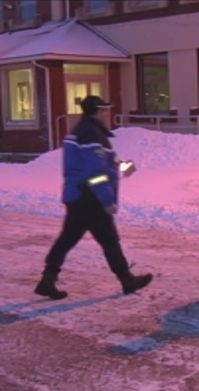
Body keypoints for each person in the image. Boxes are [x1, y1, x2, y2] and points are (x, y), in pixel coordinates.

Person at [34, 95, 153, 300]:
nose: (108, 114)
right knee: (110, 241)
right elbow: (95, 173)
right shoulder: (91, 134)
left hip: (77, 195)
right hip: (90, 198)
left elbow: (100, 162)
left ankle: (47, 279)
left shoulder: (83, 131)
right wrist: (107, 201)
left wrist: (122, 165)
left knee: (67, 239)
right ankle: (127, 280)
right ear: (97, 111)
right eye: (105, 110)